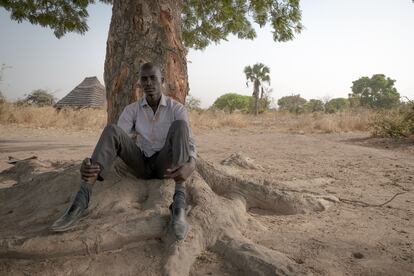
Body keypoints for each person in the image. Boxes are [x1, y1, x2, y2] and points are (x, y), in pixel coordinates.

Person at [50, 62, 197, 240]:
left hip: (165, 165)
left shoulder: (177, 109)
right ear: (140, 83)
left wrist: (191, 163)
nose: (149, 83)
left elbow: (189, 141)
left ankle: (179, 205)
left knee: (180, 126)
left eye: (153, 78)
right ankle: (81, 201)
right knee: (112, 130)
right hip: (141, 163)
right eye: (144, 79)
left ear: (162, 81)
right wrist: (93, 162)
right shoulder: (132, 110)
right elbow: (118, 139)